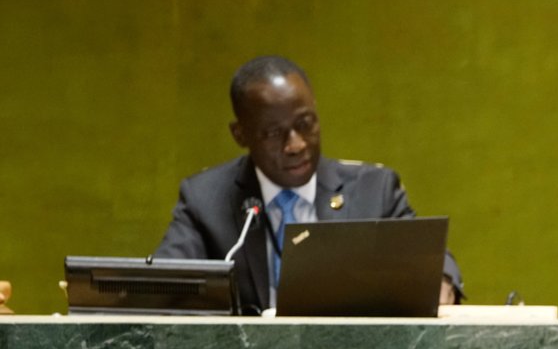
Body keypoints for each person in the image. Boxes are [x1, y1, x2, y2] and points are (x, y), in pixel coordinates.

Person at [155, 55, 462, 315]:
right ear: (241, 135)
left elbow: (431, 262)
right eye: (274, 133)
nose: (296, 145)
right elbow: (163, 287)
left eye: (305, 124)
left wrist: (442, 282)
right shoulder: (206, 199)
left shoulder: (373, 190)